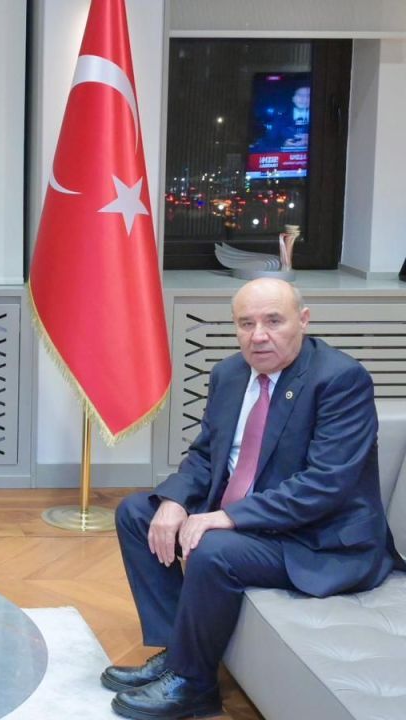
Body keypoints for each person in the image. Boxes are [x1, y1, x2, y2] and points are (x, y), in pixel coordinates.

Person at [105, 278, 403, 720]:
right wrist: (175, 501)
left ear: (303, 320)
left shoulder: (340, 379)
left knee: (214, 548)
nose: (258, 335)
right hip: (255, 519)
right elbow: (206, 455)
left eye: (273, 321)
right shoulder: (229, 374)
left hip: (316, 538)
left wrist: (228, 517)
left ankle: (194, 684)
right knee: (137, 514)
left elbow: (325, 485)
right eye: (246, 324)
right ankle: (176, 655)